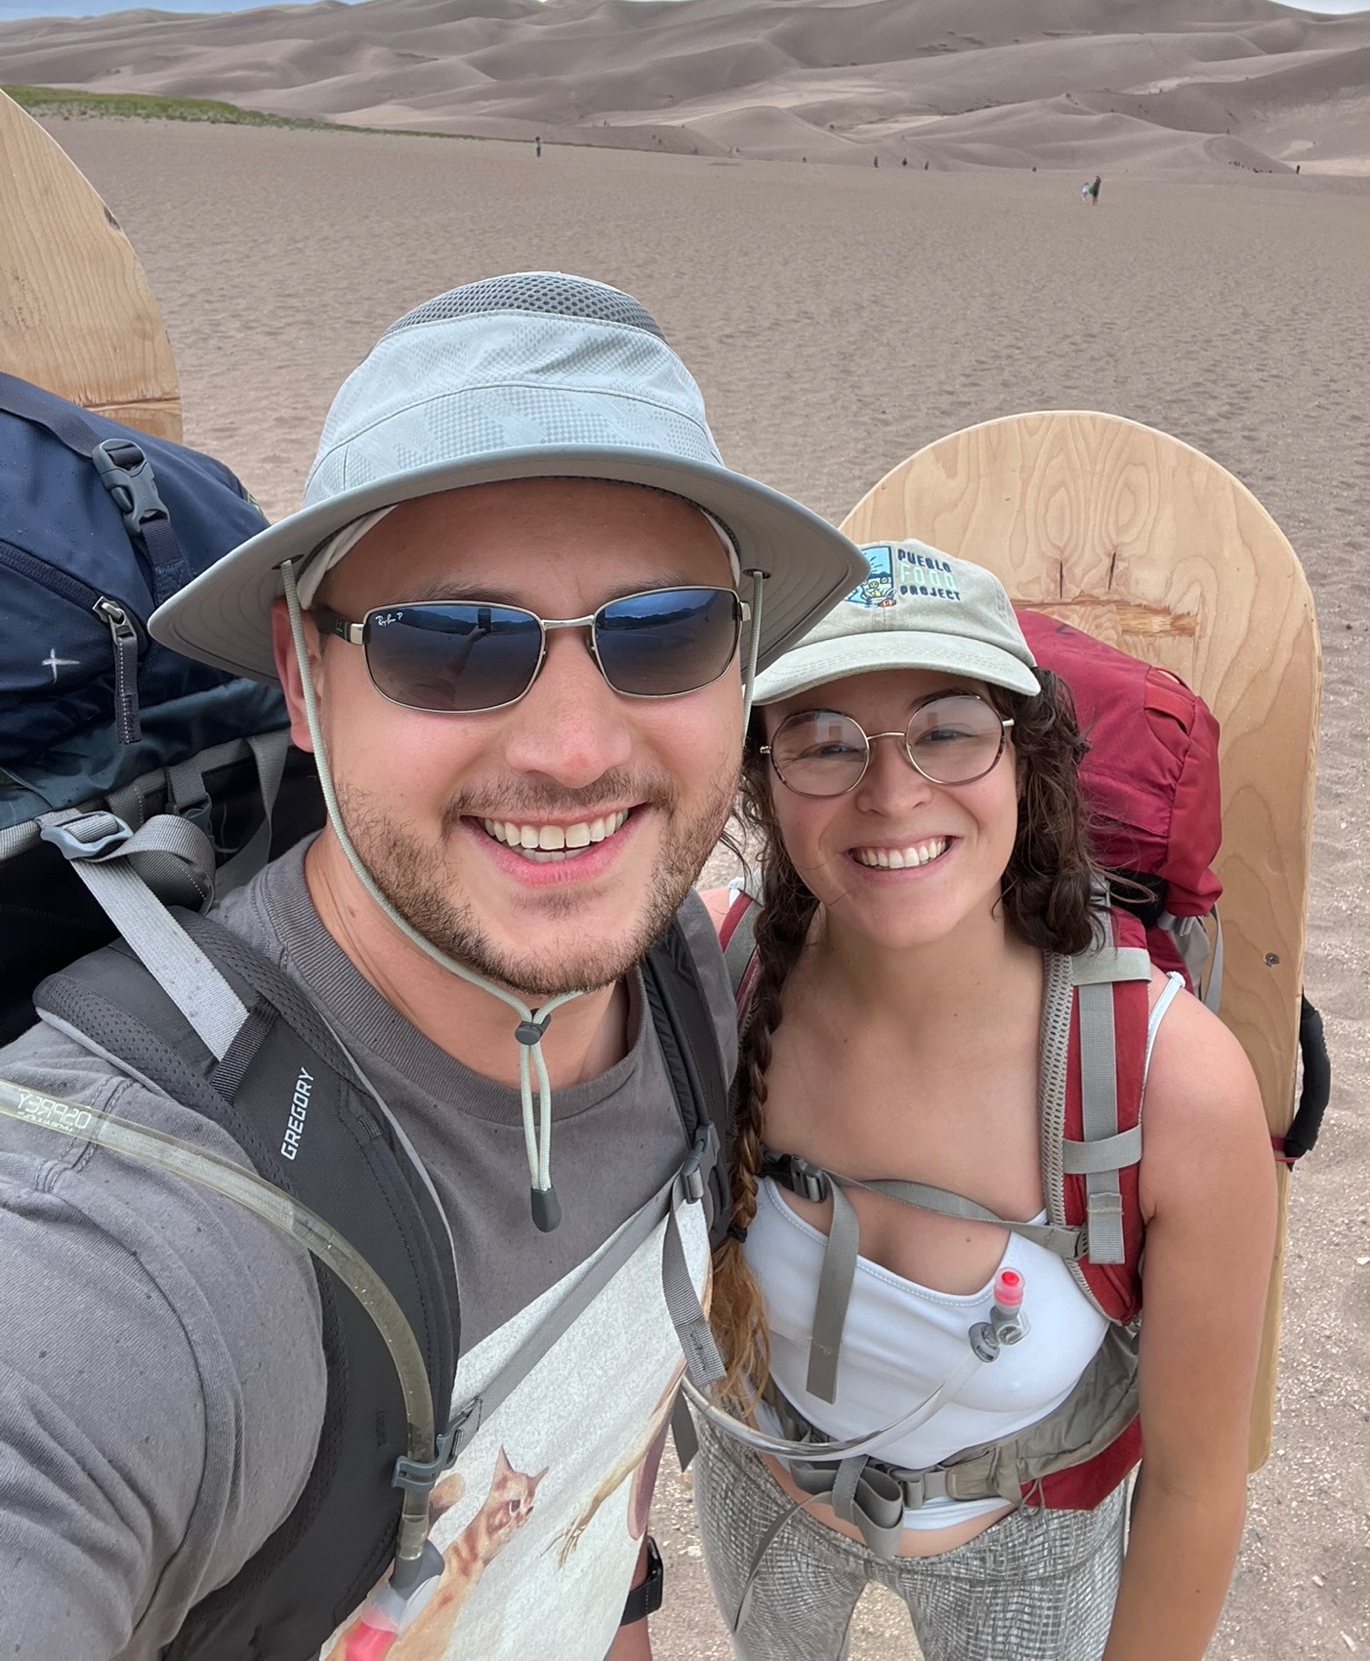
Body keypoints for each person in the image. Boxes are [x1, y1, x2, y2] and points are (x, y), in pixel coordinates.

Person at [0, 274, 863, 1661]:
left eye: (664, 632)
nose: (577, 751)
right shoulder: (129, 1246)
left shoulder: (679, 978)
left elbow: (587, 1480)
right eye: (453, 643)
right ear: (305, 677)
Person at [694, 545, 1275, 1661]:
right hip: (757, 1482)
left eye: (949, 728)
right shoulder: (712, 980)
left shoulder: (1170, 1087)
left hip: (1027, 1540)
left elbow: (1195, 1489)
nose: (891, 793)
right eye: (824, 740)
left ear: (1026, 757)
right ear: (764, 776)